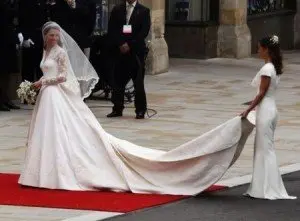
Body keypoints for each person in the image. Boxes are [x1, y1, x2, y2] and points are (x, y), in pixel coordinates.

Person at [17, 22, 290, 199]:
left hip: (55, 93)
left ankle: (267, 185)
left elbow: (64, 77)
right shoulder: (45, 52)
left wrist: (41, 82)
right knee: (47, 134)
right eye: (50, 35)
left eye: (56, 35)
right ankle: (42, 169)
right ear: (45, 37)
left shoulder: (61, 54)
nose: (53, 38)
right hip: (49, 100)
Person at [240, 35, 296, 200]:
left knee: (264, 149)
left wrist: (248, 109)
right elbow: (266, 93)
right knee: (267, 149)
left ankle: (265, 188)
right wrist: (251, 103)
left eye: (259, 48)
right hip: (271, 109)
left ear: (266, 49)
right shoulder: (274, 68)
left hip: (265, 111)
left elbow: (262, 93)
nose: (258, 51)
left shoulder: (267, 69)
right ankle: (266, 186)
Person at [107, 0, 150, 119]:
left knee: (138, 82)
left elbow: (143, 32)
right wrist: (121, 43)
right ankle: (117, 108)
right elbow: (112, 29)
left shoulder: (144, 11)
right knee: (118, 81)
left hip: (135, 52)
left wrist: (129, 45)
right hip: (120, 51)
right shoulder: (117, 9)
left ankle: (140, 110)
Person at [18, 0, 49, 82]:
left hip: (43, 38)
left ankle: (42, 93)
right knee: (28, 71)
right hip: (29, 39)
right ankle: (27, 93)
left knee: (42, 70)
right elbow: (21, 18)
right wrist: (25, 38)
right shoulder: (24, 2)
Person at [0, 0, 20, 111]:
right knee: (2, 71)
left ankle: (5, 98)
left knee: (7, 72)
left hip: (7, 38)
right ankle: (1, 100)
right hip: (2, 38)